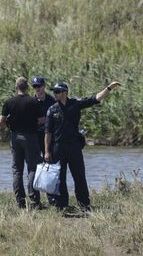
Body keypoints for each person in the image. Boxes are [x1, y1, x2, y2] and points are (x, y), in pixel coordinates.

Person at [44, 81, 121, 212]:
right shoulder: (52, 109)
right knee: (59, 178)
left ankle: (84, 205)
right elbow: (48, 132)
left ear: (65, 92)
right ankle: (62, 206)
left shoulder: (75, 104)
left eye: (57, 92)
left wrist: (109, 87)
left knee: (79, 176)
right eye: (54, 92)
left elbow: (95, 99)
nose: (55, 94)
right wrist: (46, 151)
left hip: (74, 147)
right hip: (58, 147)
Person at [0, 77, 44, 209]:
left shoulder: (9, 102)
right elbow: (42, 120)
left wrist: (10, 125)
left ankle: (20, 202)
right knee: (32, 168)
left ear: (16, 87)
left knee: (17, 171)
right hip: (30, 137)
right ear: (27, 87)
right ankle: (34, 200)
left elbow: (0, 121)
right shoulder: (33, 102)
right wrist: (32, 123)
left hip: (15, 137)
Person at [32, 75, 57, 206]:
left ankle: (52, 198)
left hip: (49, 138)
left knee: (50, 166)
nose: (38, 89)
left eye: (39, 86)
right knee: (35, 166)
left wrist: (44, 120)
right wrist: (42, 120)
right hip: (35, 137)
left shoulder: (51, 100)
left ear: (44, 86)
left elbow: (56, 118)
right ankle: (35, 200)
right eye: (35, 86)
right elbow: (30, 120)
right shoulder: (32, 101)